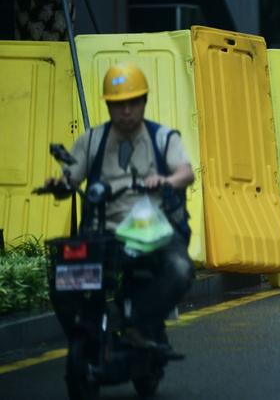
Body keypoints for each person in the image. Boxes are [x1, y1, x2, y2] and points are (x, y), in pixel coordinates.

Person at [45, 62, 195, 348]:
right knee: (62, 278)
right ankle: (87, 333)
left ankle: (136, 322)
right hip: (102, 232)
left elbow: (185, 172)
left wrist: (165, 180)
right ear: (109, 105)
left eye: (132, 102)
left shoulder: (164, 138)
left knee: (179, 269)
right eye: (118, 104)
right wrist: (60, 185)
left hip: (152, 233)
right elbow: (70, 181)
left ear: (144, 102)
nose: (126, 110)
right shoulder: (91, 141)